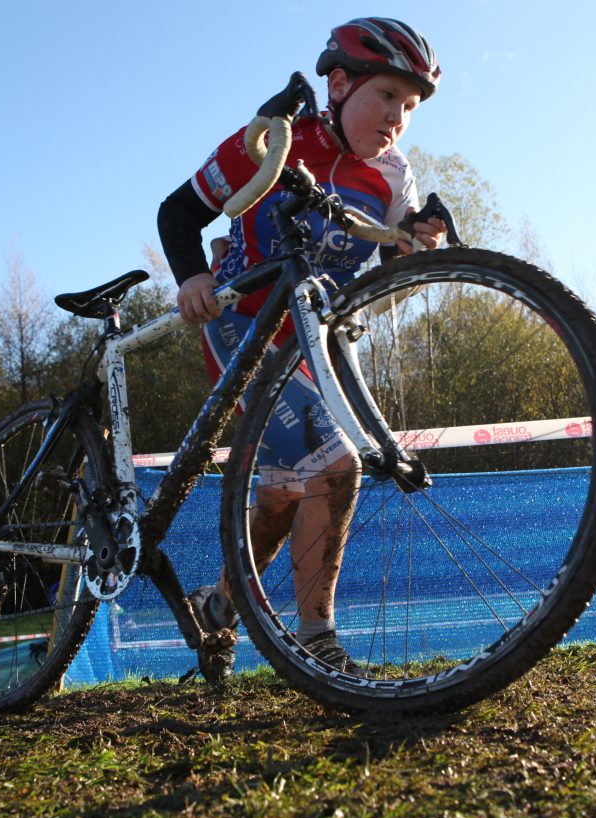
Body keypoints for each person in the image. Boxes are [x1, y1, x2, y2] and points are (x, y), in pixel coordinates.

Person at [157, 17, 447, 678]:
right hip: (243, 329)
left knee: (285, 500)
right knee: (335, 469)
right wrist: (192, 277)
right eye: (387, 97)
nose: (397, 117)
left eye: (410, 106)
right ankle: (317, 640)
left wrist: (419, 239)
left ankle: (218, 606)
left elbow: (394, 260)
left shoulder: (391, 176)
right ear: (338, 84)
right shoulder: (274, 141)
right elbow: (178, 212)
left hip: (313, 349)